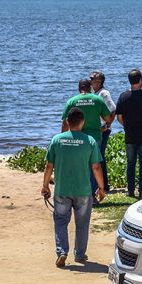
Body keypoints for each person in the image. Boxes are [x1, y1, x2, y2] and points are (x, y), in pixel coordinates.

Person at [42, 109, 105, 268]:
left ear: (68, 122)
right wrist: (101, 187)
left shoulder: (57, 140)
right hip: (83, 191)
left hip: (62, 190)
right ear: (82, 122)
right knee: (82, 224)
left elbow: (49, 166)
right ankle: (80, 254)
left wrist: (45, 186)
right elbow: (96, 167)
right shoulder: (89, 141)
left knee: (61, 221)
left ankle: (62, 252)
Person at [62, 78, 113, 201]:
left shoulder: (72, 101)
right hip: (95, 138)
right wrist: (104, 127)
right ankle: (91, 196)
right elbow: (107, 117)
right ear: (90, 87)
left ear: (79, 88)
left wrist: (63, 138)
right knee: (94, 165)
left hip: (76, 138)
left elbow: (65, 123)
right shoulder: (97, 99)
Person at [115, 68, 142, 199]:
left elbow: (119, 116)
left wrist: (126, 125)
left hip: (130, 135)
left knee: (131, 163)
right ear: (141, 80)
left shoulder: (123, 96)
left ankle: (130, 191)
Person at [90, 71, 116, 194]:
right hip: (97, 129)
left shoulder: (104, 93)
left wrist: (107, 125)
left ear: (99, 81)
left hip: (102, 130)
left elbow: (113, 109)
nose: (90, 81)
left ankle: (103, 185)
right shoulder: (94, 93)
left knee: (99, 157)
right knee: (99, 157)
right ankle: (103, 184)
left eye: (92, 78)